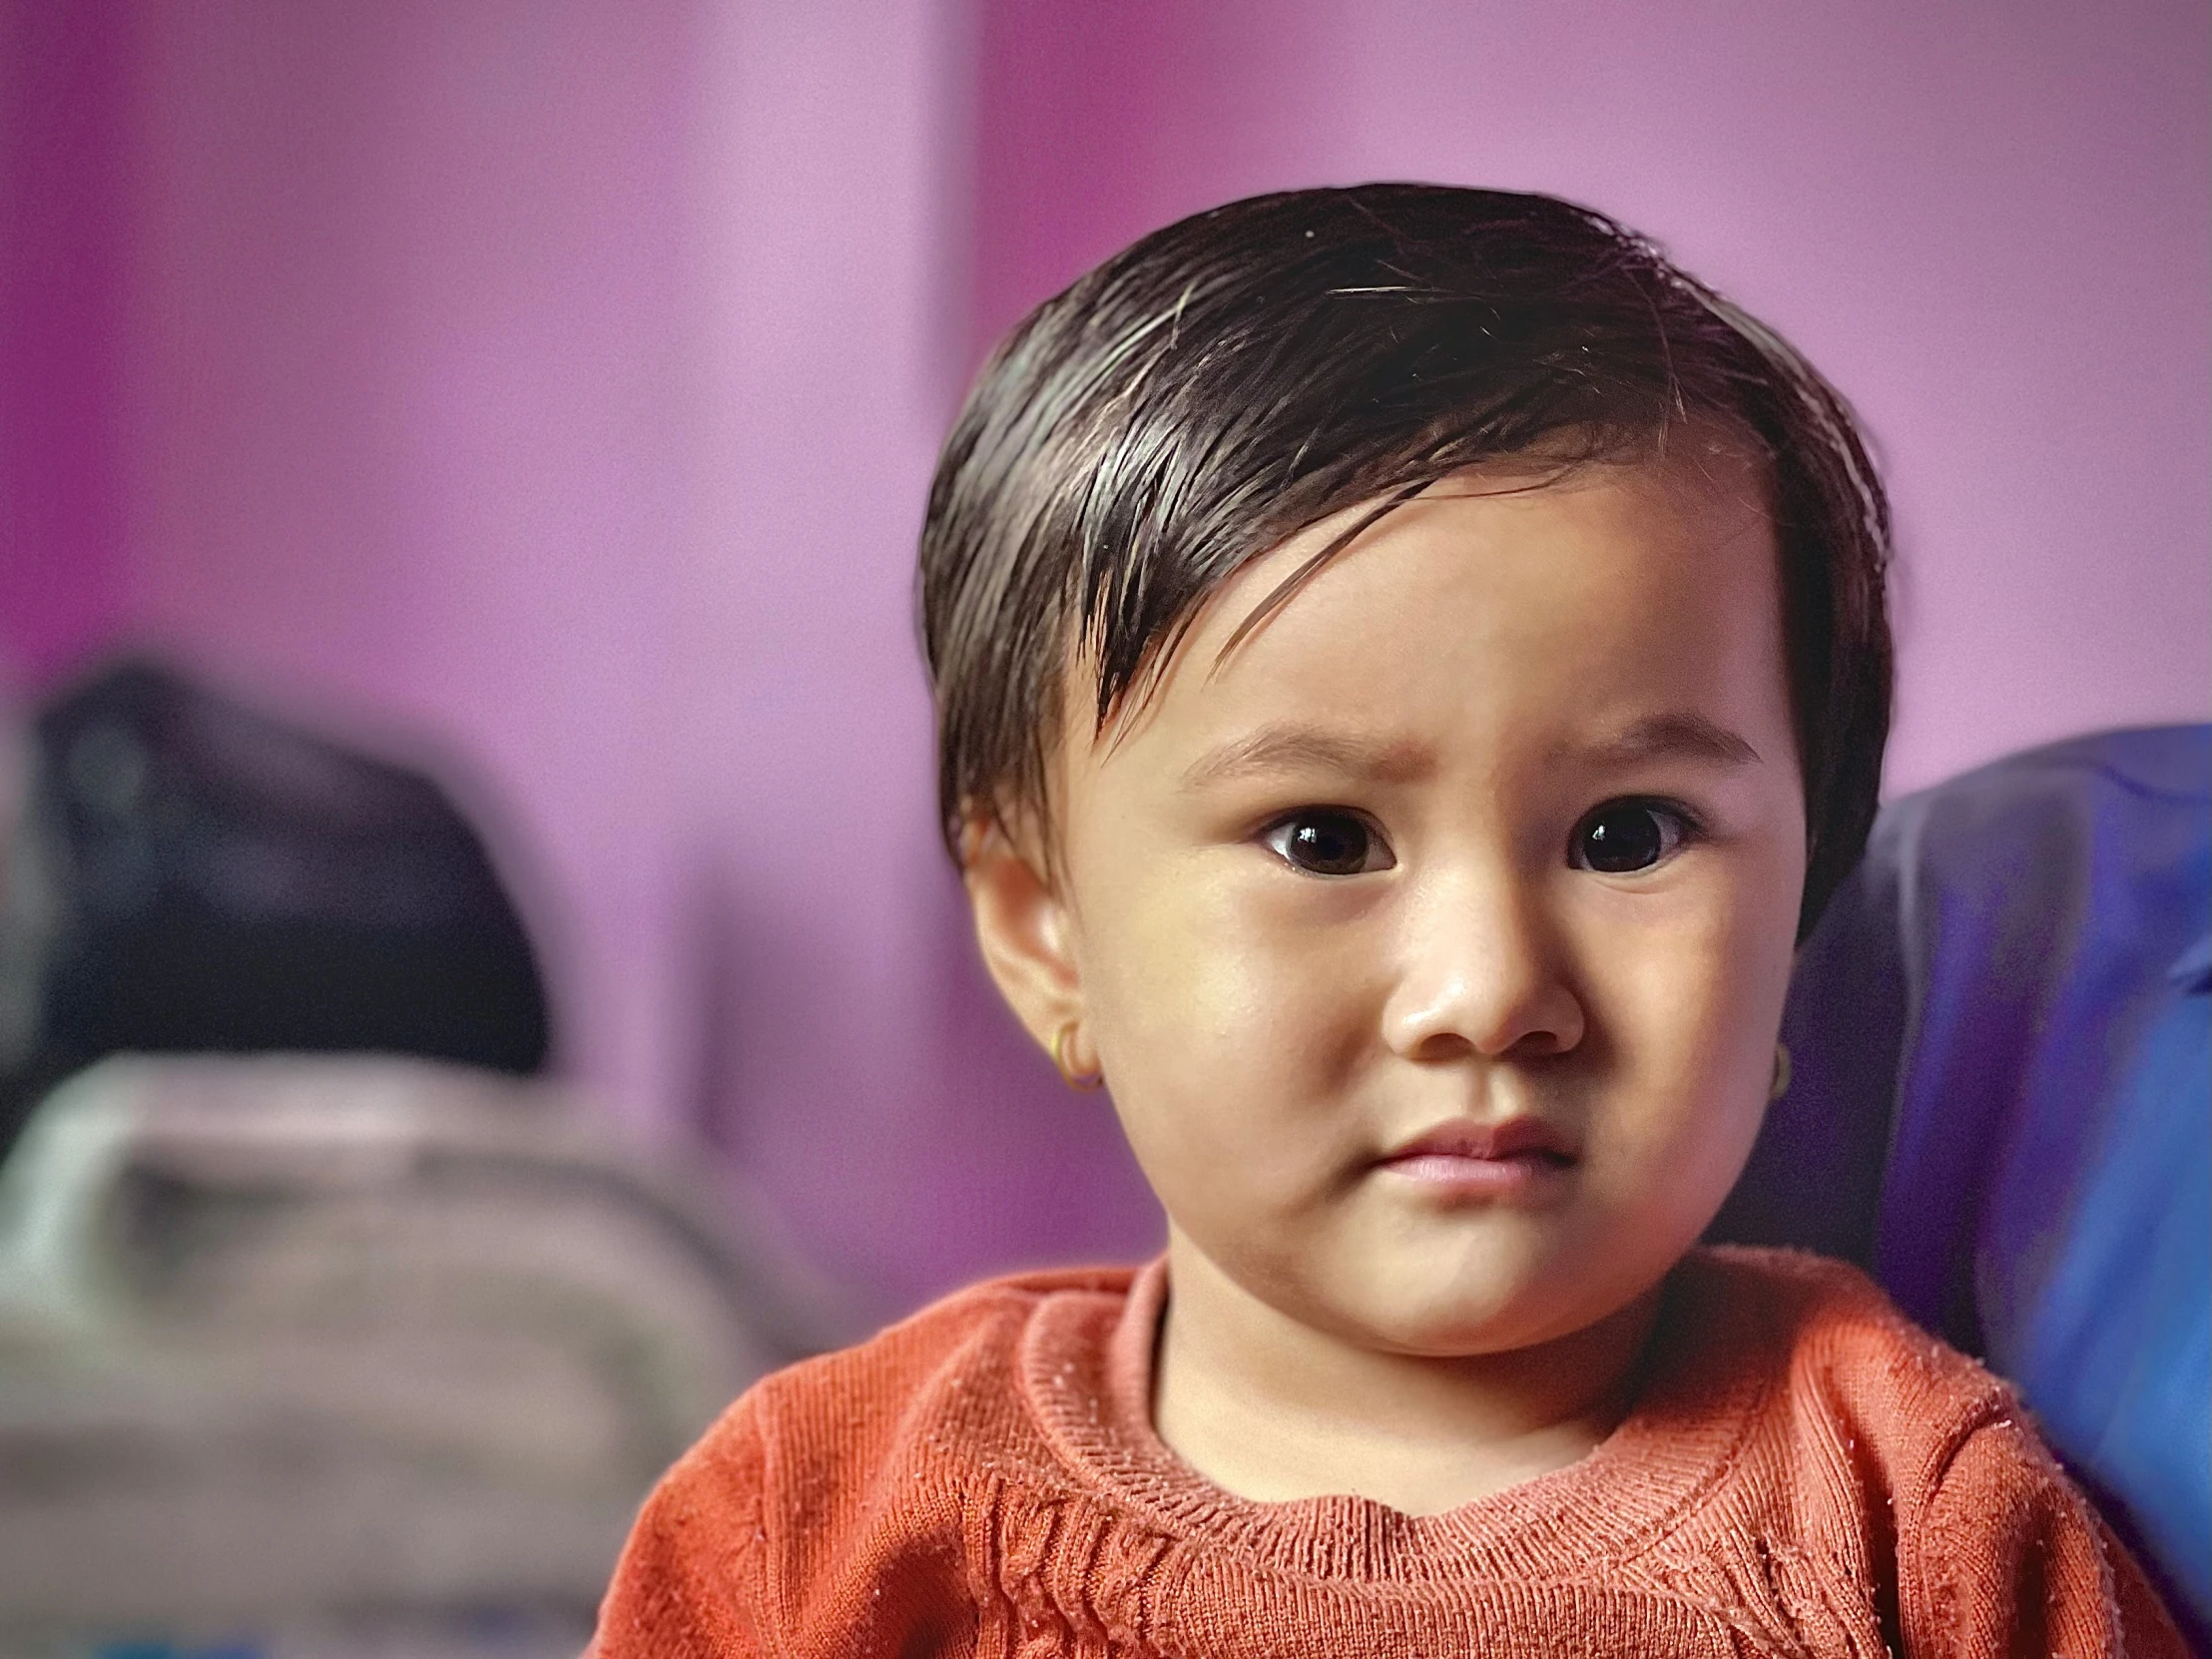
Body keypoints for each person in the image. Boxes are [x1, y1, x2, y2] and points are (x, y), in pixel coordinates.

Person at [589, 186, 2183, 1654]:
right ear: (1044, 933)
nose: (1489, 988)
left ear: (1799, 916)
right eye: (1324, 835)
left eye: (1628, 835)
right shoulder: (814, 1519)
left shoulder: (1921, 1507)